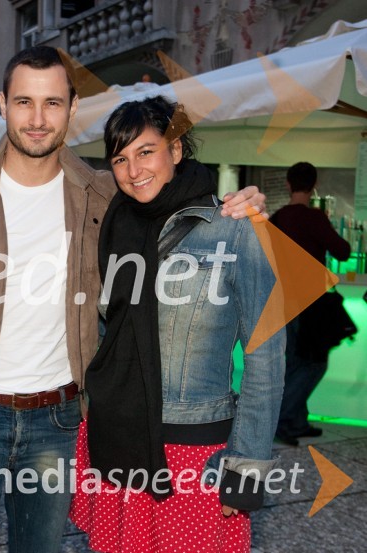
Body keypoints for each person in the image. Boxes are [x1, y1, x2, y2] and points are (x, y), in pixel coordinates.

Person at [0, 48, 266, 553]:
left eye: (53, 103)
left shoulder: (105, 195)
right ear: (2, 104)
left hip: (61, 422)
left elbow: (173, 198)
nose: (38, 119)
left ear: (72, 108)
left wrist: (246, 205)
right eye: (24, 102)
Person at [69, 96, 285, 553]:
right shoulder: (113, 223)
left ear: (177, 149)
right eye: (121, 158)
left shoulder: (237, 228)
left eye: (146, 151)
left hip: (193, 453)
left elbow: (266, 353)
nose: (133, 170)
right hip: (115, 440)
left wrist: (246, 467)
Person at [272, 162, 351, 446]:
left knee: (295, 361)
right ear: (314, 185)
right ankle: (283, 419)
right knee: (314, 363)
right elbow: (343, 251)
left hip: (283, 300)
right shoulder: (314, 218)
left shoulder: (278, 218)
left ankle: (297, 421)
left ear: (288, 184)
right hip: (311, 302)